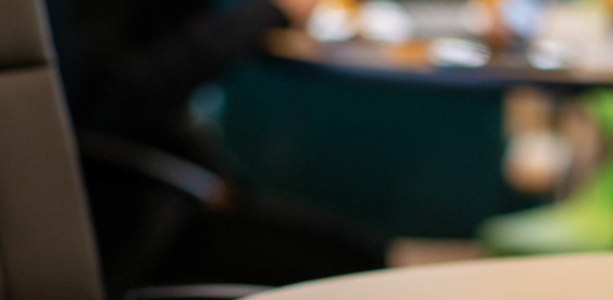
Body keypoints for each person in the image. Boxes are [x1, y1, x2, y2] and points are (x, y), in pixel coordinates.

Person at [42, 0, 388, 297]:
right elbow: (126, 97)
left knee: (360, 247)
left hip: (170, 186)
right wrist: (270, 10)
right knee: (362, 263)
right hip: (136, 221)